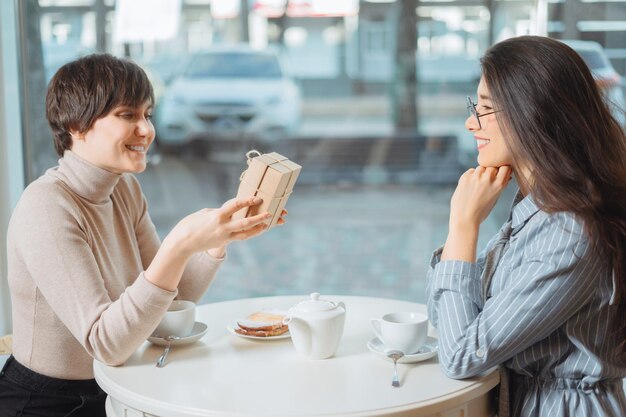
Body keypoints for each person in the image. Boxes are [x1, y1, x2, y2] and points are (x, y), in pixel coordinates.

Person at [0, 53, 283, 416]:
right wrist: (179, 245)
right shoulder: (48, 206)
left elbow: (167, 301)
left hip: (116, 388)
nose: (147, 129)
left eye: (147, 114)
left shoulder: (124, 189)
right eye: (127, 115)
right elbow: (105, 343)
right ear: (76, 125)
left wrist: (216, 242)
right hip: (46, 403)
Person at [426, 36, 626, 417]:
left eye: (484, 108)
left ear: (531, 113)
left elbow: (459, 356)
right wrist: (460, 234)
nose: (471, 122)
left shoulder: (570, 232)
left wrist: (463, 225)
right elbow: (449, 322)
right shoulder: (534, 210)